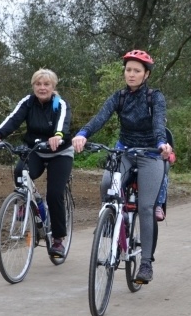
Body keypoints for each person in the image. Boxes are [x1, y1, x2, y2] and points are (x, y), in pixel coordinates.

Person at [72, 50, 172, 283]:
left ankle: (146, 263)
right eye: (128, 70)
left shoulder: (154, 97)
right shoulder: (119, 97)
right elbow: (100, 117)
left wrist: (161, 144)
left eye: (137, 70)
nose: (132, 74)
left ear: (146, 74)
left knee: (146, 207)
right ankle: (111, 224)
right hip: (125, 150)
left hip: (150, 153)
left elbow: (158, 123)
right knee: (108, 183)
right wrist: (83, 134)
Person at [0, 69, 73, 257]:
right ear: (33, 86)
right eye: (38, 84)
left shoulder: (60, 104)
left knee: (55, 193)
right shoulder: (28, 102)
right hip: (36, 149)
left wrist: (57, 136)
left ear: (53, 86)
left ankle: (58, 239)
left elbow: (62, 125)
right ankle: (29, 207)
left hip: (60, 153)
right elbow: (13, 119)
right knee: (20, 172)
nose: (42, 88)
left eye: (46, 84)